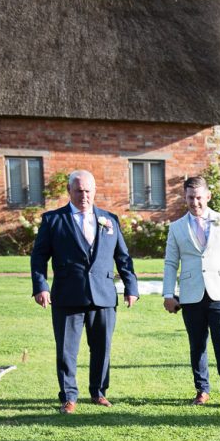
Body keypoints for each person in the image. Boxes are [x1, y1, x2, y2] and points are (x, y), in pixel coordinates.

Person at [31, 169, 139, 413]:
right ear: (69, 191)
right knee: (67, 350)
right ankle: (69, 396)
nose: (84, 196)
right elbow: (39, 258)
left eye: (88, 191)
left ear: (95, 191)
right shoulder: (53, 220)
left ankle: (99, 392)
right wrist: (41, 286)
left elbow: (123, 258)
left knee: (102, 347)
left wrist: (131, 287)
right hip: (68, 295)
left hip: (103, 296)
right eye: (79, 191)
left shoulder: (109, 219)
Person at [163, 176, 220, 408]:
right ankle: (202, 390)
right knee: (197, 345)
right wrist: (168, 294)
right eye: (191, 198)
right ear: (185, 198)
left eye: (199, 197)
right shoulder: (176, 227)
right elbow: (171, 262)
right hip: (191, 295)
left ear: (208, 196)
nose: (195, 203)